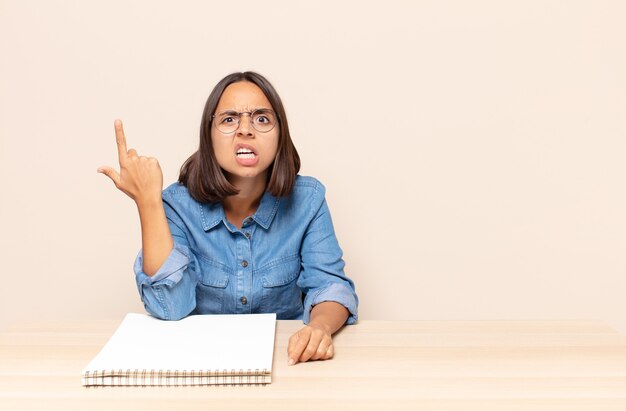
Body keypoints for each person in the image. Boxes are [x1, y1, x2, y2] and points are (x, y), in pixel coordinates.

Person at [98, 71, 358, 365]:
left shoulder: (308, 200)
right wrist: (148, 203)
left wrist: (319, 327)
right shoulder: (177, 204)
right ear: (207, 136)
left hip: (286, 365)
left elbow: (330, 286)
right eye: (229, 119)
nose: (245, 130)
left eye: (261, 119)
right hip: (198, 366)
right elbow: (170, 306)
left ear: (280, 135)